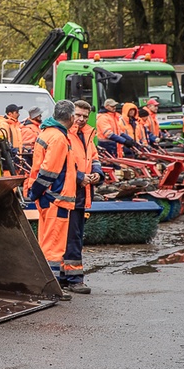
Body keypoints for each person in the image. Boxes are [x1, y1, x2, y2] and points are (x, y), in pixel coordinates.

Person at [25, 99, 78, 299]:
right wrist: (38, 192)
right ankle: (51, 289)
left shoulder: (48, 132)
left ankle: (48, 286)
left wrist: (36, 193)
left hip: (49, 197)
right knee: (53, 246)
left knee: (47, 242)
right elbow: (50, 170)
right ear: (71, 117)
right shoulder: (58, 138)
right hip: (56, 199)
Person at [64, 100, 102, 294]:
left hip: (79, 193)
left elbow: (94, 158)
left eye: (85, 116)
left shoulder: (86, 134)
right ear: (71, 114)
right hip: (67, 192)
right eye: (78, 115)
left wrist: (97, 173)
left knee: (74, 237)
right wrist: (80, 177)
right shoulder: (64, 135)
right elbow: (62, 164)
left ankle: (66, 277)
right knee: (71, 238)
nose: (81, 119)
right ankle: (73, 279)